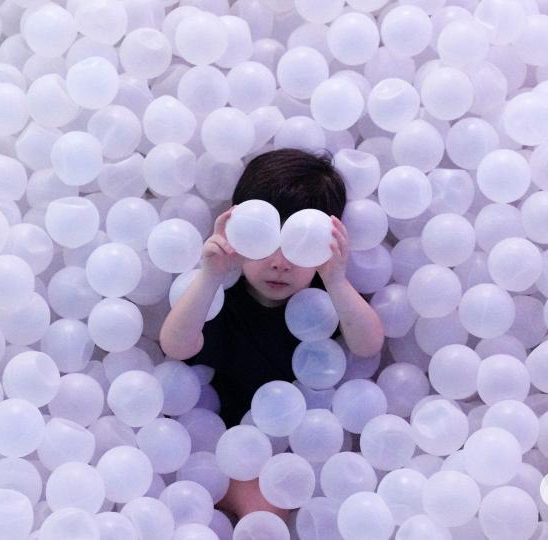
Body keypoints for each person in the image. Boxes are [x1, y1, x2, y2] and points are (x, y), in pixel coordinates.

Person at [158, 148, 385, 520]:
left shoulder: (325, 301)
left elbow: (368, 344)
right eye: (263, 240)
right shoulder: (220, 298)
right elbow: (176, 345)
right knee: (261, 509)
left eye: (300, 244)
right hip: (217, 445)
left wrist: (337, 280)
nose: (280, 262)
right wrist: (210, 276)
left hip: (299, 446)